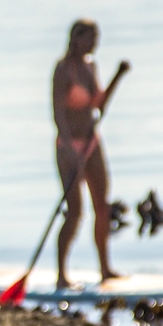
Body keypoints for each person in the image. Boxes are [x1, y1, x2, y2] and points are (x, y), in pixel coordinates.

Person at [52, 18, 123, 289]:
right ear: (76, 38)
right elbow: (58, 112)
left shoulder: (90, 66)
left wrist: (118, 75)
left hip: (92, 143)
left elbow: (99, 103)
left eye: (97, 38)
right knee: (75, 212)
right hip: (68, 147)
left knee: (102, 207)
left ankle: (105, 269)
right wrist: (70, 150)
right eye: (91, 38)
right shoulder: (63, 70)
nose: (95, 43)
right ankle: (61, 274)